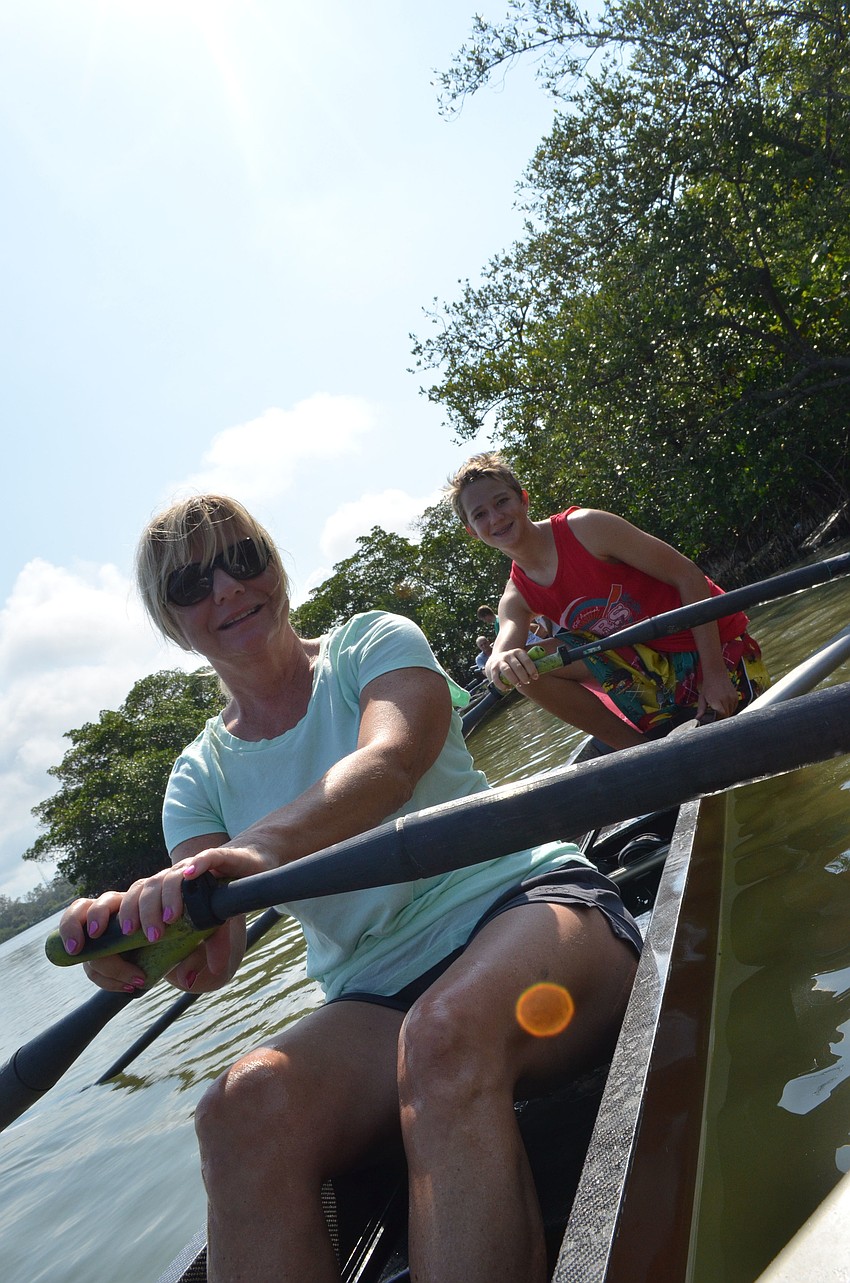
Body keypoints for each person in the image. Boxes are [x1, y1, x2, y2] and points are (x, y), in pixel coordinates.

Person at [59, 494, 642, 1283]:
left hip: (524, 907)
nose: (227, 589)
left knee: (440, 1036)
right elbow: (213, 953)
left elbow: (389, 763)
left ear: (275, 565)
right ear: (171, 621)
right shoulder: (196, 776)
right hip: (373, 994)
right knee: (234, 1112)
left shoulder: (373, 641)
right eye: (193, 582)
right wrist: (129, 941)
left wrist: (257, 848)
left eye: (242, 559)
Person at [447, 453, 770, 750]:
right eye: (480, 515)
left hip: (713, 647)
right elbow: (501, 650)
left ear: (523, 500)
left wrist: (713, 674)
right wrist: (497, 664)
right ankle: (638, 753)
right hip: (650, 674)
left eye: (502, 502)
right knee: (523, 672)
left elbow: (688, 575)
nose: (496, 518)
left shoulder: (587, 528)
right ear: (472, 532)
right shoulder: (515, 596)